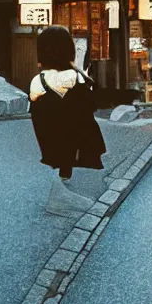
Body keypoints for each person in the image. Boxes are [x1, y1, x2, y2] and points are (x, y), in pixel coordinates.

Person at [29, 26, 106, 218]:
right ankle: (66, 173)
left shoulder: (38, 81)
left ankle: (59, 176)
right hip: (78, 143)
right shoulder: (78, 77)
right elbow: (90, 107)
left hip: (49, 141)